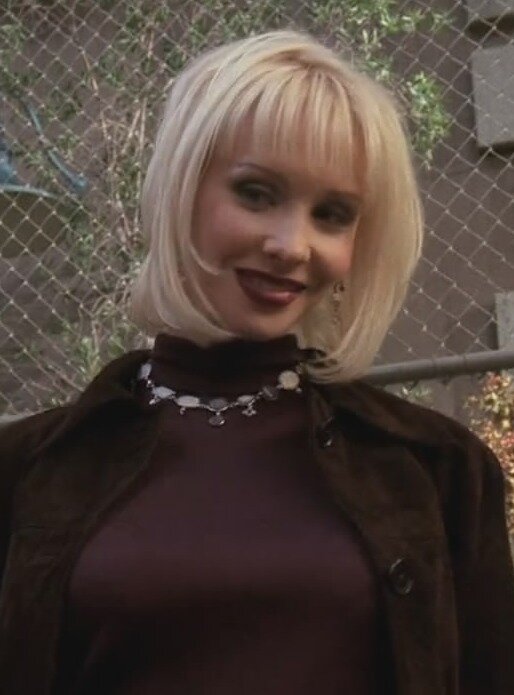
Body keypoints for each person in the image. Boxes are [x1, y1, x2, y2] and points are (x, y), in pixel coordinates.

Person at [0, 29, 513, 695]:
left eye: (332, 214)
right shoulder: (27, 470)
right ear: (182, 190)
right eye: (256, 193)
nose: (292, 245)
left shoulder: (439, 468)